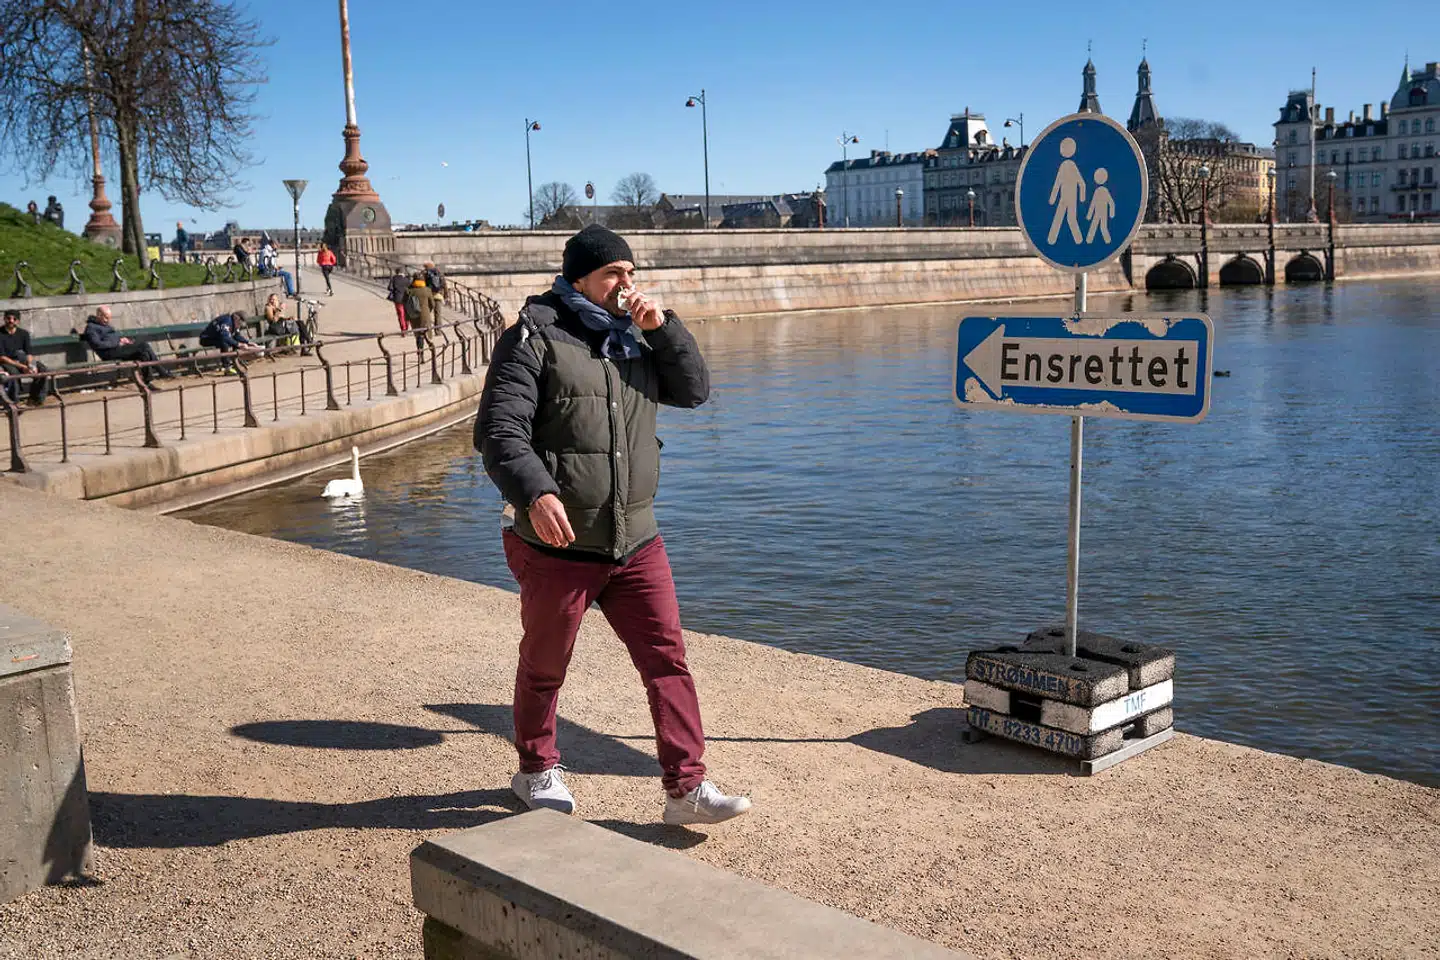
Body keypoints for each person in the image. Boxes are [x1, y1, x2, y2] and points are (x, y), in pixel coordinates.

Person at [475, 224, 751, 825]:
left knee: (667, 661)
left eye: (631, 273)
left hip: (636, 537)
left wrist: (664, 328)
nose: (626, 285)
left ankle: (686, 789)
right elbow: (498, 430)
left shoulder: (636, 340)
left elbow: (695, 391)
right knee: (545, 665)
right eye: (613, 275)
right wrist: (536, 493)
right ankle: (536, 770)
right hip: (560, 543)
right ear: (580, 279)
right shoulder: (534, 336)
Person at [81, 305, 174, 383]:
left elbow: (111, 338)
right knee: (144, 346)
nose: (107, 320)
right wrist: (117, 342)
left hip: (117, 348)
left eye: (109, 318)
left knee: (143, 354)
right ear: (99, 315)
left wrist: (122, 340)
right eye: (106, 317)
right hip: (109, 353)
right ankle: (161, 371)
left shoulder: (103, 324)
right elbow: (98, 344)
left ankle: (147, 382)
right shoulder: (91, 328)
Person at [0, 309, 56, 406]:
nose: (11, 321)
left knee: (42, 370)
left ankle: (35, 399)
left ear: (18, 321)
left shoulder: (24, 333)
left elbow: (29, 353)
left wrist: (30, 365)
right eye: (8, 318)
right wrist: (23, 367)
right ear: (4, 319)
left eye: (14, 319)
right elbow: (2, 357)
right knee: (14, 373)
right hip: (7, 361)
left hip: (22, 359)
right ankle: (14, 402)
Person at [405, 272, 435, 353]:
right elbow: (432, 304)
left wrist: (407, 316)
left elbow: (404, 303)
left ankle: (419, 350)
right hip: (425, 315)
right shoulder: (427, 290)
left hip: (413, 315)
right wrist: (428, 310)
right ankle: (426, 349)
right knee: (424, 333)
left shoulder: (409, 290)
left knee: (417, 334)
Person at [386, 266, 411, 333]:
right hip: (406, 298)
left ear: (396, 272)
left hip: (398, 298)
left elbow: (389, 288)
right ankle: (406, 327)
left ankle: (403, 329)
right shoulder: (406, 279)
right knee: (406, 313)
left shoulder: (394, 278)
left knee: (401, 314)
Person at [423, 261, 445, 327]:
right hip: (438, 295)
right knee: (438, 314)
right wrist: (445, 295)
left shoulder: (424, 273)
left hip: (428, 295)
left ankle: (427, 328)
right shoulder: (439, 272)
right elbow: (444, 284)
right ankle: (438, 330)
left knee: (426, 313)